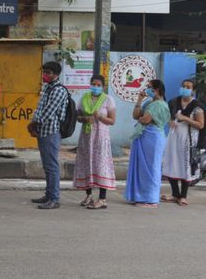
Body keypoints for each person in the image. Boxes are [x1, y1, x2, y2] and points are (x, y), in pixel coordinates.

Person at [27, 61, 68, 209]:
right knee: (47, 166)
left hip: (51, 131)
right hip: (42, 131)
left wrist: (34, 124)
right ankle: (48, 194)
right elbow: (39, 109)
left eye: (48, 72)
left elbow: (48, 112)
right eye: (44, 72)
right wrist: (34, 123)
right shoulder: (47, 88)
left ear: (56, 75)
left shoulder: (58, 90)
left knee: (52, 166)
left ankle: (54, 198)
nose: (45, 75)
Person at [124, 79, 171, 207]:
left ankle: (151, 199)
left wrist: (142, 119)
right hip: (144, 136)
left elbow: (145, 119)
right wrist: (139, 100)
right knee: (142, 168)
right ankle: (140, 196)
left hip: (153, 138)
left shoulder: (160, 104)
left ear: (158, 90)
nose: (148, 90)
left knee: (152, 168)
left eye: (150, 88)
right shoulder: (150, 102)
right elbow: (136, 115)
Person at [73, 75, 117, 209]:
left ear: (103, 86)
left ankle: (102, 199)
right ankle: (89, 195)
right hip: (86, 137)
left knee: (101, 164)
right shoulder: (84, 98)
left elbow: (112, 121)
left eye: (98, 85)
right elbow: (78, 116)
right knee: (86, 163)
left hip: (100, 137)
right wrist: (85, 118)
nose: (95, 87)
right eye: (93, 84)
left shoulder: (108, 100)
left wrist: (101, 117)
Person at [160, 79, 204, 206]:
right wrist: (170, 122)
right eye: (183, 86)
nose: (185, 88)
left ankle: (183, 196)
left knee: (186, 166)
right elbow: (167, 116)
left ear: (193, 90)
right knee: (171, 163)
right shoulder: (174, 102)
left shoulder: (197, 107)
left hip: (188, 140)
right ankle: (175, 194)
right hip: (173, 138)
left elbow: (200, 125)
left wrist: (185, 118)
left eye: (188, 87)